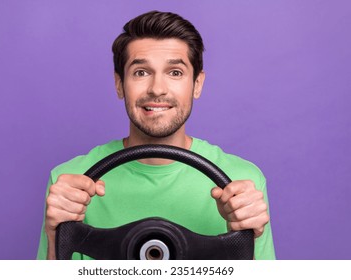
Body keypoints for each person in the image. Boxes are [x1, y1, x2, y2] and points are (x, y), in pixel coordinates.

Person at [37, 10, 275, 260]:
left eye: (175, 73)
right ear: (119, 84)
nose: (157, 89)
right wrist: (56, 236)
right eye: (141, 72)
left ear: (197, 84)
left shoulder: (242, 182)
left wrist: (243, 236)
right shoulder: (70, 183)